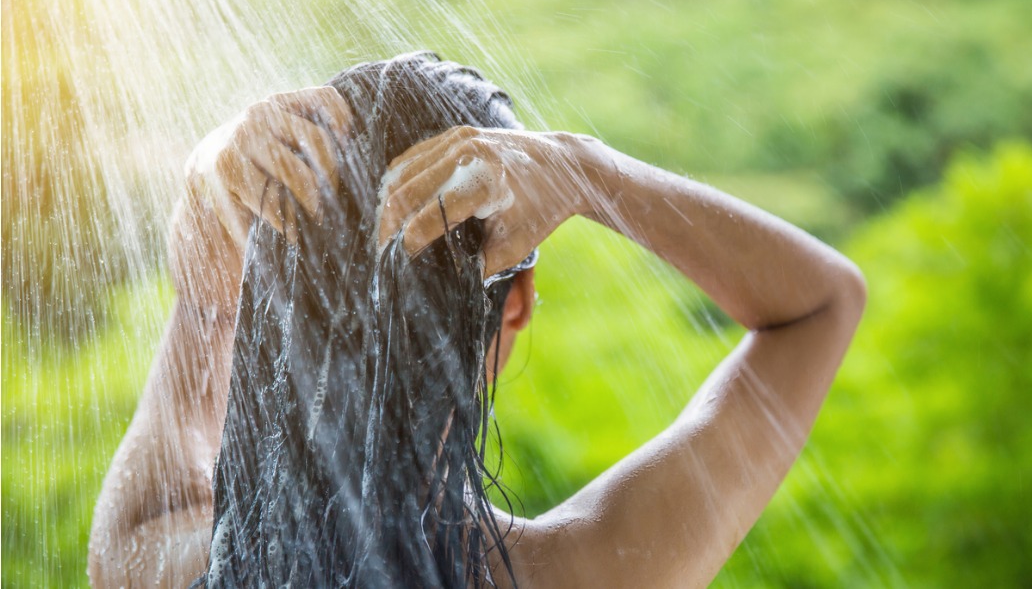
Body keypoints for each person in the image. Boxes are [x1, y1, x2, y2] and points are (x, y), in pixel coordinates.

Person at [88, 52, 866, 588]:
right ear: (516, 303)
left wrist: (210, 174)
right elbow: (822, 302)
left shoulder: (154, 556)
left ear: (278, 299)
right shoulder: (583, 569)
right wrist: (584, 170)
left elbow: (203, 300)